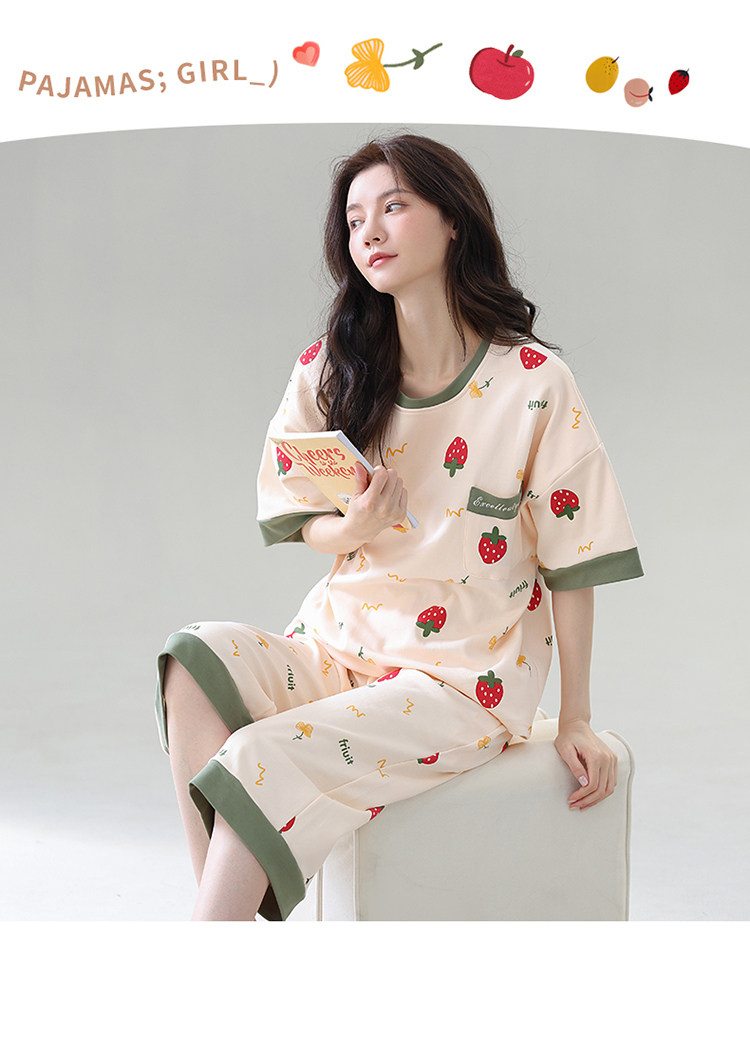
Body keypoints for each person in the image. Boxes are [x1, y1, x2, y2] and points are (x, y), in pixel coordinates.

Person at [155, 133, 643, 921]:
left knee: (256, 755)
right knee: (191, 659)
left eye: (393, 207)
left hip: (462, 677)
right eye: (354, 220)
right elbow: (303, 518)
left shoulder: (533, 384)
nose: (370, 233)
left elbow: (575, 558)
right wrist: (353, 524)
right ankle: (224, 929)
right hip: (340, 645)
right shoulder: (332, 368)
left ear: (452, 221)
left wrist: (577, 714)